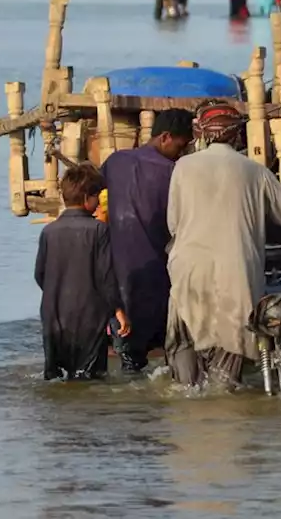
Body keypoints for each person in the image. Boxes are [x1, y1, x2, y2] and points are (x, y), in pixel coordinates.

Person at [165, 101, 281, 389]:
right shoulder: (254, 171)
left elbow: (173, 222)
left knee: (186, 346)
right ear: (236, 136)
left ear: (203, 134)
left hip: (188, 268)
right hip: (237, 272)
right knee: (230, 353)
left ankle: (187, 398)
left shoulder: (183, 167)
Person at [101, 109, 196, 372]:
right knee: (167, 350)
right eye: (181, 144)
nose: (183, 151)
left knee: (128, 355)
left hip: (116, 275)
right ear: (165, 137)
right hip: (156, 274)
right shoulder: (173, 174)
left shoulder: (115, 161)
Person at [35, 164, 131, 380]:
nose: (98, 203)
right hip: (89, 319)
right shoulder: (99, 230)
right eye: (97, 196)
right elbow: (106, 276)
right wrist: (118, 310)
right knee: (91, 380)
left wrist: (57, 293)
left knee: (57, 380)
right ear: (88, 197)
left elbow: (39, 274)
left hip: (54, 317)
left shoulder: (48, 231)